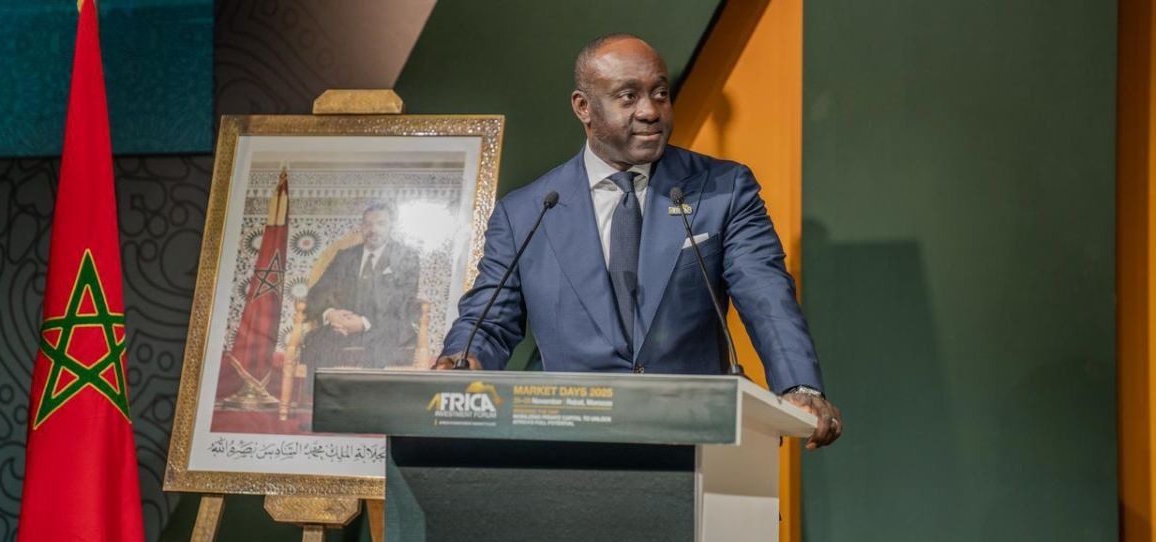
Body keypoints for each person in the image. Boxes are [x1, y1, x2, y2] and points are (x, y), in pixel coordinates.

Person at [435, 34, 842, 448]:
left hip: (697, 439)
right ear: (583, 107)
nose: (650, 111)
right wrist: (461, 362)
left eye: (660, 93)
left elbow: (766, 294)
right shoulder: (526, 212)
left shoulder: (723, 189)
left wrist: (799, 385)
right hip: (572, 445)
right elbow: (489, 321)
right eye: (628, 97)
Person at [303, 200, 421, 372]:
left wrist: (364, 323)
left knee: (378, 347)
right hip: (342, 328)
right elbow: (316, 293)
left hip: (386, 328)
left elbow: (403, 302)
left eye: (380, 223)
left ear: (391, 226)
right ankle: (322, 390)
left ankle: (367, 390)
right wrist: (331, 314)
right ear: (361, 227)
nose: (373, 230)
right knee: (315, 342)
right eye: (368, 224)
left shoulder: (406, 257)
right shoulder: (345, 257)